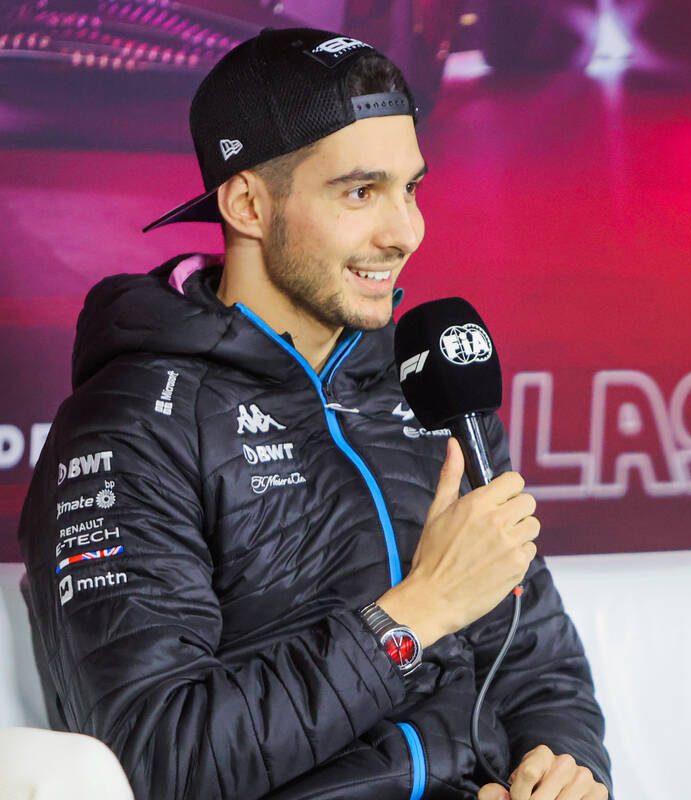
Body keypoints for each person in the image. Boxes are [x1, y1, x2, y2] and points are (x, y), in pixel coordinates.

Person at [17, 27, 611, 800]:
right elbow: (157, 759)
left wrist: (562, 767)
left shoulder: (427, 388)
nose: (405, 231)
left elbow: (538, 665)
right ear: (247, 202)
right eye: (360, 192)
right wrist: (415, 614)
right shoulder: (131, 426)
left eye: (411, 187)